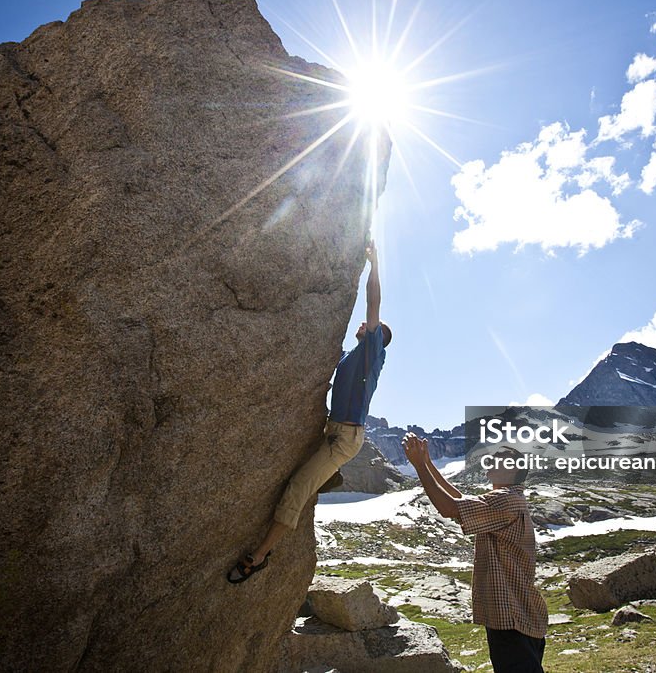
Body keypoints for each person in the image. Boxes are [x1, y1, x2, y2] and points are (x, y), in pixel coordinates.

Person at [228, 240, 391, 584]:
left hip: (343, 438)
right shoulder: (352, 356)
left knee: (299, 485)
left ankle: (259, 556)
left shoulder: (372, 351)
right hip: (334, 429)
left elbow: (373, 303)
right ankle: (329, 475)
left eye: (370, 326)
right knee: (306, 471)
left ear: (378, 337)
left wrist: (375, 265)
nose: (363, 325)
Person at [403, 435, 548, 673]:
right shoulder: (506, 498)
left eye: (499, 458)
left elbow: (449, 507)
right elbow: (459, 499)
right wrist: (427, 462)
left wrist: (419, 466)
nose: (490, 460)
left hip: (512, 617)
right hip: (516, 614)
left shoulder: (506, 500)